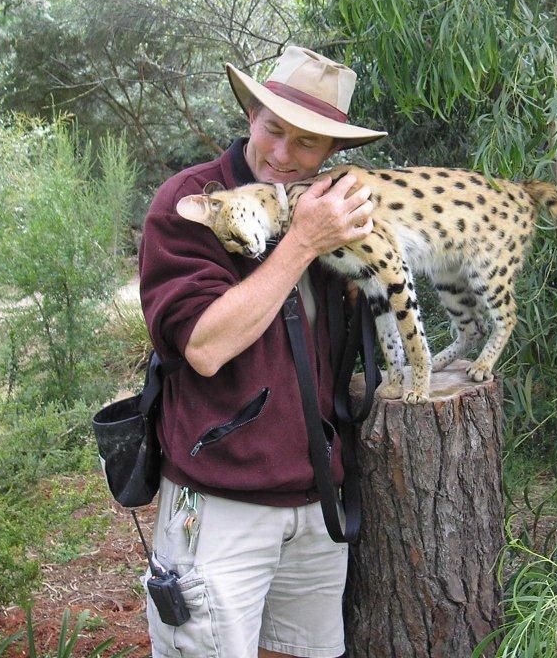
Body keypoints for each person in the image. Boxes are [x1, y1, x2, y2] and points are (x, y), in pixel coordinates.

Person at [138, 46, 387, 658]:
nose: (282, 155)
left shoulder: (335, 209)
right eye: (274, 129)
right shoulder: (191, 203)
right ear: (251, 113)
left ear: (330, 154)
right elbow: (204, 345)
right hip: (220, 506)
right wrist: (302, 243)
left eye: (306, 144)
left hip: (315, 504)